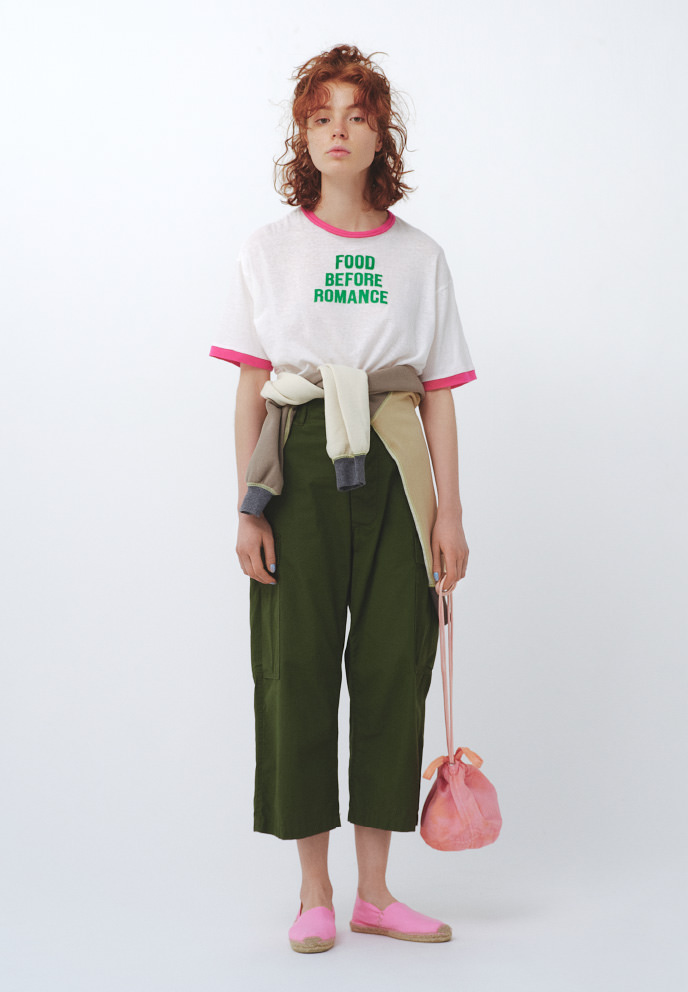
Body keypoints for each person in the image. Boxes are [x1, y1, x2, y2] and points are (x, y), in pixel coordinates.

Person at [209, 44, 476, 953]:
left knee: (394, 668)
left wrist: (450, 513)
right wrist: (247, 506)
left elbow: (438, 394)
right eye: (320, 116)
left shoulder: (420, 256)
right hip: (298, 467)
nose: (337, 131)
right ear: (303, 134)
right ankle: (313, 891)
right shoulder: (268, 249)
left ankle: (377, 892)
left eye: (356, 115)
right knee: (297, 668)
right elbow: (251, 387)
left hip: (397, 466)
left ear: (379, 134)